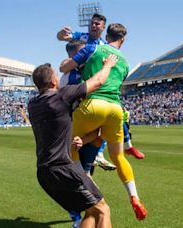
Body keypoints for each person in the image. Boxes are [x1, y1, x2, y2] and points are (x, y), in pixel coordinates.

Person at [60, 23, 147, 221]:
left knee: (71, 152)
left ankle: (87, 196)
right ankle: (134, 197)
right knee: (119, 158)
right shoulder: (125, 62)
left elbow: (67, 66)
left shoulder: (94, 48)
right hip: (115, 109)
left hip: (92, 105)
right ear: (122, 41)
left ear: (105, 35)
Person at [28, 54, 118, 228]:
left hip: (44, 173)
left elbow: (55, 127)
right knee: (103, 210)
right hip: (62, 168)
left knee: (91, 212)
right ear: (53, 81)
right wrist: (108, 65)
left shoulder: (33, 104)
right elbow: (98, 81)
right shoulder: (61, 96)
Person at [61, 40, 117, 174]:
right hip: (75, 131)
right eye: (82, 53)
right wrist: (107, 67)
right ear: (73, 56)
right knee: (81, 177)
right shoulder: (70, 77)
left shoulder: (87, 69)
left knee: (86, 174)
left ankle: (97, 158)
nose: (87, 55)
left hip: (87, 134)